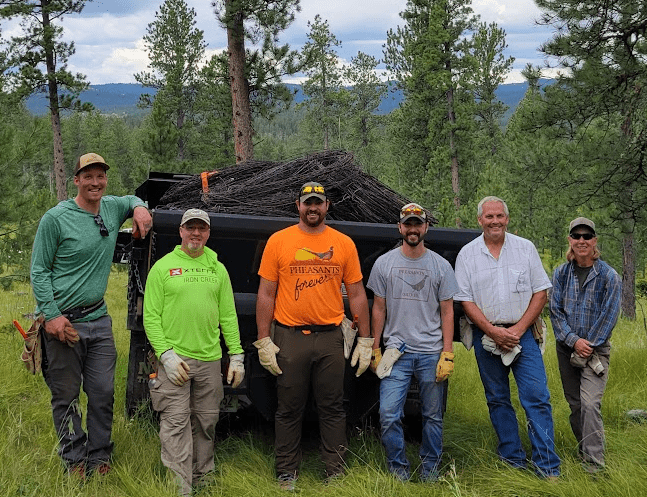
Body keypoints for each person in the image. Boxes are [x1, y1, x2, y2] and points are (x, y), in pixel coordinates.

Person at [30, 152, 152, 478]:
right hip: (63, 323)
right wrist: (52, 316)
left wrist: (139, 207)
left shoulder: (111, 208)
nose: (95, 182)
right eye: (88, 176)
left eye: (100, 176)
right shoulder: (55, 219)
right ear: (76, 180)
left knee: (102, 393)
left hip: (98, 320)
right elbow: (39, 271)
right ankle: (74, 460)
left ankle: (99, 457)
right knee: (66, 397)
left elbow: (130, 199)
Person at [254, 181, 372, 490]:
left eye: (318, 202)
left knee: (333, 406)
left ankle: (335, 471)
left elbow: (358, 294)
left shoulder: (343, 243)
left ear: (327, 206)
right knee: (289, 407)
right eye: (307, 202)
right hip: (290, 336)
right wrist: (264, 339)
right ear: (298, 206)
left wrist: (366, 339)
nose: (313, 208)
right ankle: (286, 472)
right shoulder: (279, 241)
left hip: (331, 336)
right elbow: (266, 294)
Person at [454, 196, 560, 478]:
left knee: (536, 397)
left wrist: (518, 330)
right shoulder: (467, 254)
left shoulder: (525, 248)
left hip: (522, 335)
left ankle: (547, 466)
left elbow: (541, 292)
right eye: (489, 217)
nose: (495, 221)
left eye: (500, 216)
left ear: (507, 218)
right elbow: (465, 300)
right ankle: (512, 459)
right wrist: (492, 331)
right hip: (486, 336)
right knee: (498, 399)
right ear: (480, 221)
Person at [143, 208, 245, 496]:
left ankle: (203, 480)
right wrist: (166, 355)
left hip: (210, 361)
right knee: (175, 424)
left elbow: (228, 316)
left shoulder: (217, 269)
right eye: (191, 228)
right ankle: (180, 488)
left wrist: (236, 355)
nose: (196, 233)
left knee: (206, 421)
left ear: (208, 233)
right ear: (181, 231)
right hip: (175, 362)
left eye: (201, 228)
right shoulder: (163, 268)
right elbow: (150, 317)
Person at [367, 203, 458, 482]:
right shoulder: (385, 263)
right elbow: (378, 308)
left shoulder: (440, 266)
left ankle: (430, 469)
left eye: (418, 224)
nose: (413, 229)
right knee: (388, 414)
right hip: (397, 352)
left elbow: (447, 311)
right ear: (400, 227)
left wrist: (448, 352)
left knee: (433, 417)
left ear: (426, 227)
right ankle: (398, 468)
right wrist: (374, 347)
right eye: (408, 224)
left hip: (431, 352)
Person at [549, 217, 621, 474]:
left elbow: (610, 316)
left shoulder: (609, 276)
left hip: (595, 352)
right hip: (566, 349)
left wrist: (587, 344)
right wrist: (573, 341)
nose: (581, 241)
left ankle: (595, 466)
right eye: (576, 236)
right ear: (569, 240)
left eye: (587, 236)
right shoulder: (560, 274)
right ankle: (584, 449)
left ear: (594, 241)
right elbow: (555, 312)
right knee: (576, 405)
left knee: (590, 404)